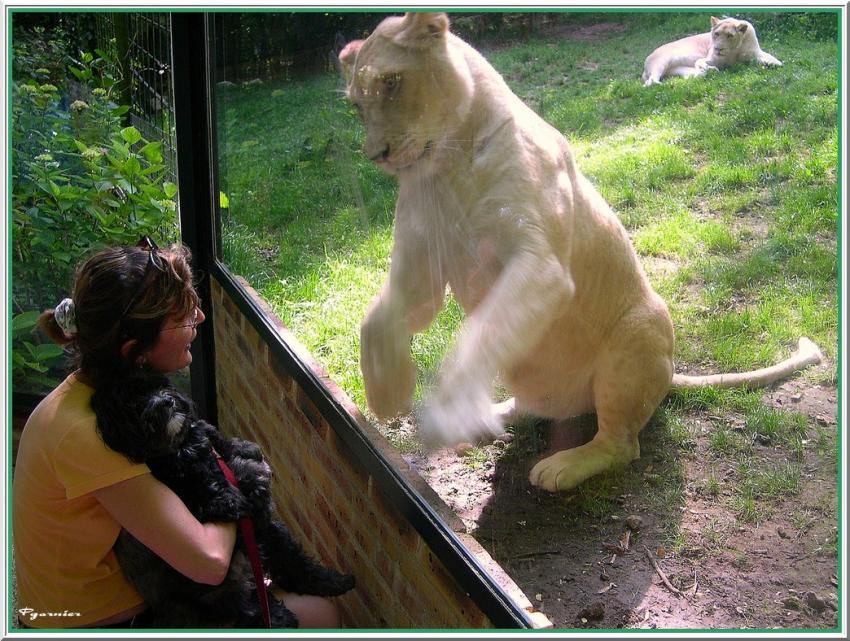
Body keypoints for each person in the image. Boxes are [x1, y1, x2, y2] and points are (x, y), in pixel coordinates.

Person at [12, 238, 340, 629]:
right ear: (135, 350)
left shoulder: (98, 395)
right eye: (183, 318)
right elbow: (209, 563)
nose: (199, 319)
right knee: (322, 615)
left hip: (119, 592)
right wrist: (241, 489)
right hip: (96, 623)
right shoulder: (88, 433)